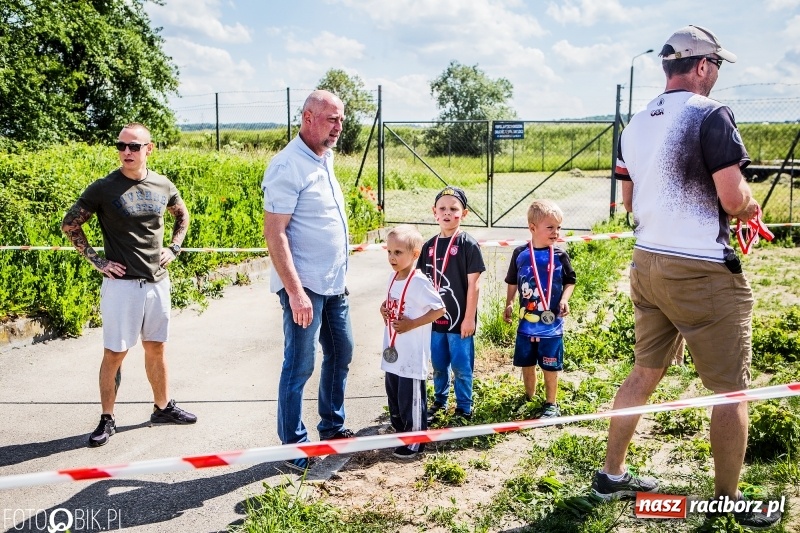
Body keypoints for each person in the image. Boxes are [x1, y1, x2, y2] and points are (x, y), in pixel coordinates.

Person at [591, 25, 780, 529]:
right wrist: (750, 207)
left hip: (647, 262)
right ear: (700, 66)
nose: (717, 75)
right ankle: (728, 500)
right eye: (716, 65)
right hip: (700, 269)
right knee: (730, 392)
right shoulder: (710, 114)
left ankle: (611, 474)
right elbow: (734, 199)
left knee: (644, 372)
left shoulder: (637, 121)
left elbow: (628, 203)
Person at [61, 122, 197, 448]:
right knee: (115, 353)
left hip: (157, 283)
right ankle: (107, 418)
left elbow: (183, 216)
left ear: (149, 149)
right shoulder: (104, 187)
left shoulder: (163, 185)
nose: (126, 152)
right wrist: (98, 262)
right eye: (121, 146)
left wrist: (174, 248)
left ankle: (162, 408)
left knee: (156, 347)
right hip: (122, 287)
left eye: (134, 147)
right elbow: (70, 224)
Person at [262, 89, 355, 473]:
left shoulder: (324, 158)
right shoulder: (288, 165)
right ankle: (293, 447)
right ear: (308, 118)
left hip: (334, 284)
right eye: (332, 119)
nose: (338, 127)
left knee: (342, 352)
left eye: (341, 120)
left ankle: (332, 428)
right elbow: (276, 234)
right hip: (305, 288)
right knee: (299, 364)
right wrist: (296, 293)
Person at [417, 186, 485, 423]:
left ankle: (464, 406)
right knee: (438, 364)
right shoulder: (428, 247)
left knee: (461, 366)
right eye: (442, 208)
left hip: (460, 321)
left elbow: (474, 285)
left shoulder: (468, 244)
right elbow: (419, 283)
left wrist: (469, 318)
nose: (447, 213)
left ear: (463, 213)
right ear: (434, 212)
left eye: (453, 209)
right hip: (435, 321)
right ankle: (439, 401)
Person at [503, 200, 575, 419]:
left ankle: (551, 403)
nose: (556, 232)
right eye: (550, 227)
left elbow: (570, 281)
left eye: (558, 227)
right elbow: (513, 281)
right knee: (527, 363)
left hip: (551, 326)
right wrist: (509, 302)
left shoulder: (560, 256)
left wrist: (564, 299)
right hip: (526, 325)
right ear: (532, 228)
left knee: (550, 366)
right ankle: (529, 398)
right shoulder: (520, 253)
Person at [381, 225, 445, 459]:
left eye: (398, 253)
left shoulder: (419, 282)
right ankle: (401, 432)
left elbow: (439, 310)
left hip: (412, 355)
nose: (392, 257)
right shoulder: (392, 277)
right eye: (389, 252)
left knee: (411, 398)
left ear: (415, 254)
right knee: (395, 397)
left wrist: (412, 324)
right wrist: (383, 310)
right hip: (393, 351)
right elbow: (391, 302)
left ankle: (416, 440)